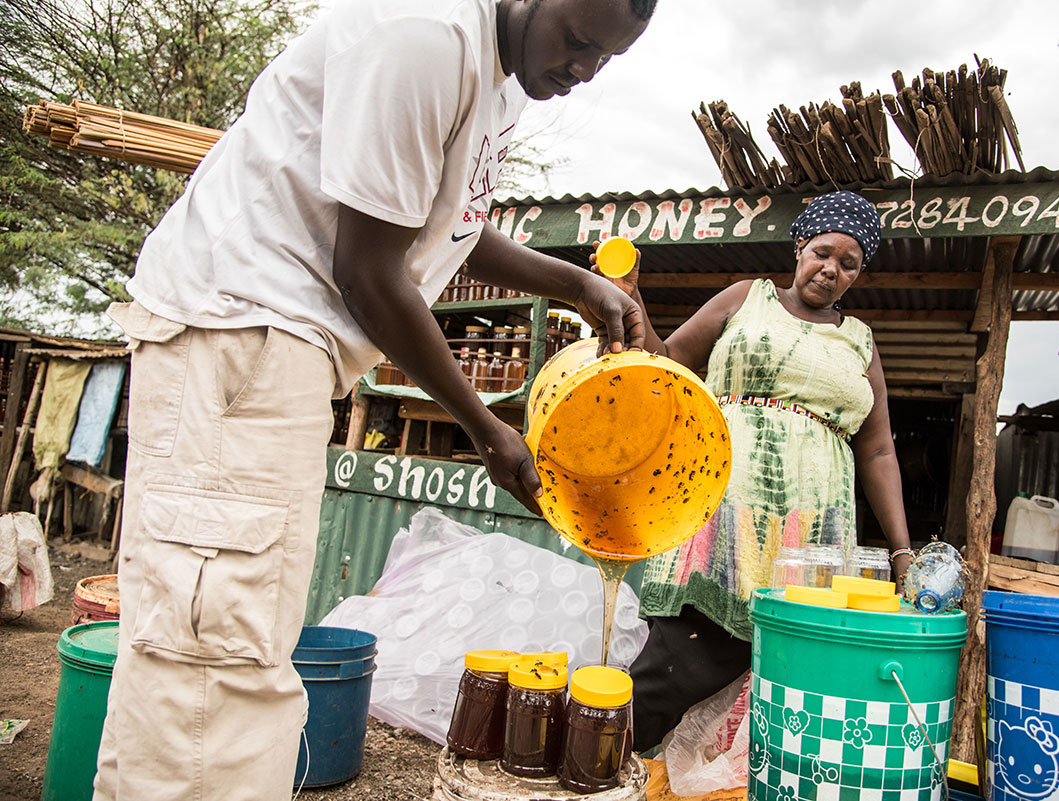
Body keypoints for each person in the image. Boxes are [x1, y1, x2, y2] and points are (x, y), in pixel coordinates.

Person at [93, 1, 655, 798]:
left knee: (204, 651)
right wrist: (486, 427)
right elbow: (370, 272)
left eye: (605, 58)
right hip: (243, 337)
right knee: (216, 664)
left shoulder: (496, 78)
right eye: (576, 40)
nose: (584, 69)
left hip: (273, 350)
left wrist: (576, 280)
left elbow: (444, 228)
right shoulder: (425, 36)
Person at [593, 191, 914, 752]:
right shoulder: (746, 299)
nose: (831, 270)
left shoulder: (859, 341)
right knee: (680, 663)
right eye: (823, 252)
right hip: (726, 515)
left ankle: (720, 779)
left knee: (790, 674)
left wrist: (902, 551)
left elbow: (879, 450)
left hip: (812, 536)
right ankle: (596, 759)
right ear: (799, 247)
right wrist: (632, 297)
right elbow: (666, 361)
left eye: (849, 264)